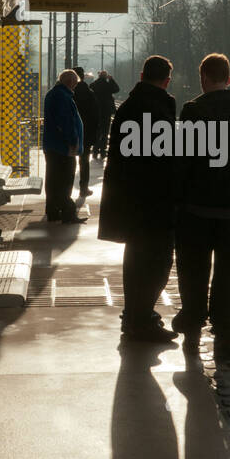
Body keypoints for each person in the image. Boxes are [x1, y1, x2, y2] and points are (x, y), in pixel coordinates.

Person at [172, 53, 230, 361]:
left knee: (192, 270)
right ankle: (227, 336)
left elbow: (181, 161)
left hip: (195, 209)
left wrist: (180, 199)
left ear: (203, 78)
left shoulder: (192, 111)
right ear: (229, 78)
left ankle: (193, 327)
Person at [98, 55, 177, 344]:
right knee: (157, 263)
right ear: (166, 79)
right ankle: (141, 320)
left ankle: (135, 316)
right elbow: (163, 160)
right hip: (153, 203)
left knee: (136, 262)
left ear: (142, 75)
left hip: (130, 200)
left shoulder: (130, 106)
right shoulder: (156, 108)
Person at [42, 69, 87, 224]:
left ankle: (53, 211)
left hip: (53, 146)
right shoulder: (62, 96)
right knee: (64, 180)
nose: (75, 87)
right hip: (63, 147)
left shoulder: (54, 94)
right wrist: (73, 141)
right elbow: (66, 122)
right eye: (74, 84)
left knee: (53, 180)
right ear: (69, 82)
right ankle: (68, 213)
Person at [72, 66, 99, 198]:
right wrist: (95, 136)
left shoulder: (69, 93)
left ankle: (67, 191)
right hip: (86, 133)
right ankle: (84, 188)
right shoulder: (89, 93)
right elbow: (95, 116)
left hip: (70, 132)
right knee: (84, 161)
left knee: (69, 162)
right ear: (82, 77)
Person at [90, 69, 119, 158]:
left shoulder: (94, 84)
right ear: (105, 76)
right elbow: (116, 89)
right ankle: (103, 150)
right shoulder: (108, 85)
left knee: (97, 131)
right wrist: (111, 80)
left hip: (96, 110)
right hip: (106, 111)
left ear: (99, 76)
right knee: (105, 131)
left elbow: (90, 89)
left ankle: (95, 150)